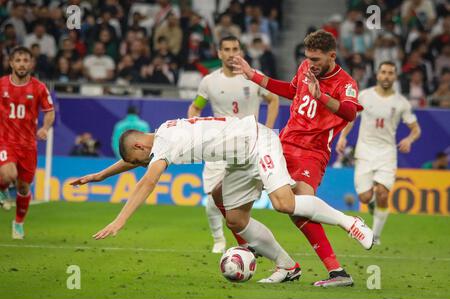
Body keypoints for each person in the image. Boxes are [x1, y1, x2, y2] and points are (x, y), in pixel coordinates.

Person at [70, 116, 373, 283]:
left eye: (138, 158)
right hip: (240, 159)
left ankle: (349, 222)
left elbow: (147, 182)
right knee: (235, 218)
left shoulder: (164, 144)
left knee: (284, 203)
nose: (141, 163)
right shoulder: (162, 131)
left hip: (257, 142)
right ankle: (287, 266)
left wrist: (119, 220)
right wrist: (100, 176)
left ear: (139, 144)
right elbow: (135, 162)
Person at [232, 29, 364, 287]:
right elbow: (292, 90)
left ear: (332, 56)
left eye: (316, 59)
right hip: (283, 144)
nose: (310, 63)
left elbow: (350, 113)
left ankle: (336, 271)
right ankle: (275, 260)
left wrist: (321, 96)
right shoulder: (306, 68)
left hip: (312, 152)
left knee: (299, 205)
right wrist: (253, 76)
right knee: (228, 199)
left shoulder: (345, 83)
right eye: (308, 58)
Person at [187, 36, 279, 254]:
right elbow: (195, 108)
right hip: (218, 145)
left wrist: (266, 129)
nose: (231, 53)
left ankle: (247, 242)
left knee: (242, 202)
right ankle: (219, 239)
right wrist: (196, 128)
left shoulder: (253, 77)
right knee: (212, 195)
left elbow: (273, 99)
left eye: (235, 49)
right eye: (226, 49)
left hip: (248, 146)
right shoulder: (209, 81)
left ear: (241, 52)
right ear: (219, 53)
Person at [336, 61, 421, 245]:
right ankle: (373, 205)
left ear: (395, 76)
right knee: (365, 197)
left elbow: (416, 129)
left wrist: (409, 139)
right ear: (377, 74)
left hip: (387, 154)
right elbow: (350, 119)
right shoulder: (364, 96)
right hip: (365, 151)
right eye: (383, 72)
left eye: (390, 73)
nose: (386, 76)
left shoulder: (401, 103)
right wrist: (342, 137)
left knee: (382, 192)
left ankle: (375, 235)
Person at [0, 46, 55, 239]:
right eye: (18, 60)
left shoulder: (39, 87)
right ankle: (3, 189)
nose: (22, 64)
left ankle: (18, 223)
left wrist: (45, 128)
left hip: (28, 145)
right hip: (5, 141)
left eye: (25, 61)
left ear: (30, 64)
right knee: (8, 173)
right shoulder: (2, 85)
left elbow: (49, 111)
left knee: (23, 188)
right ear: (11, 63)